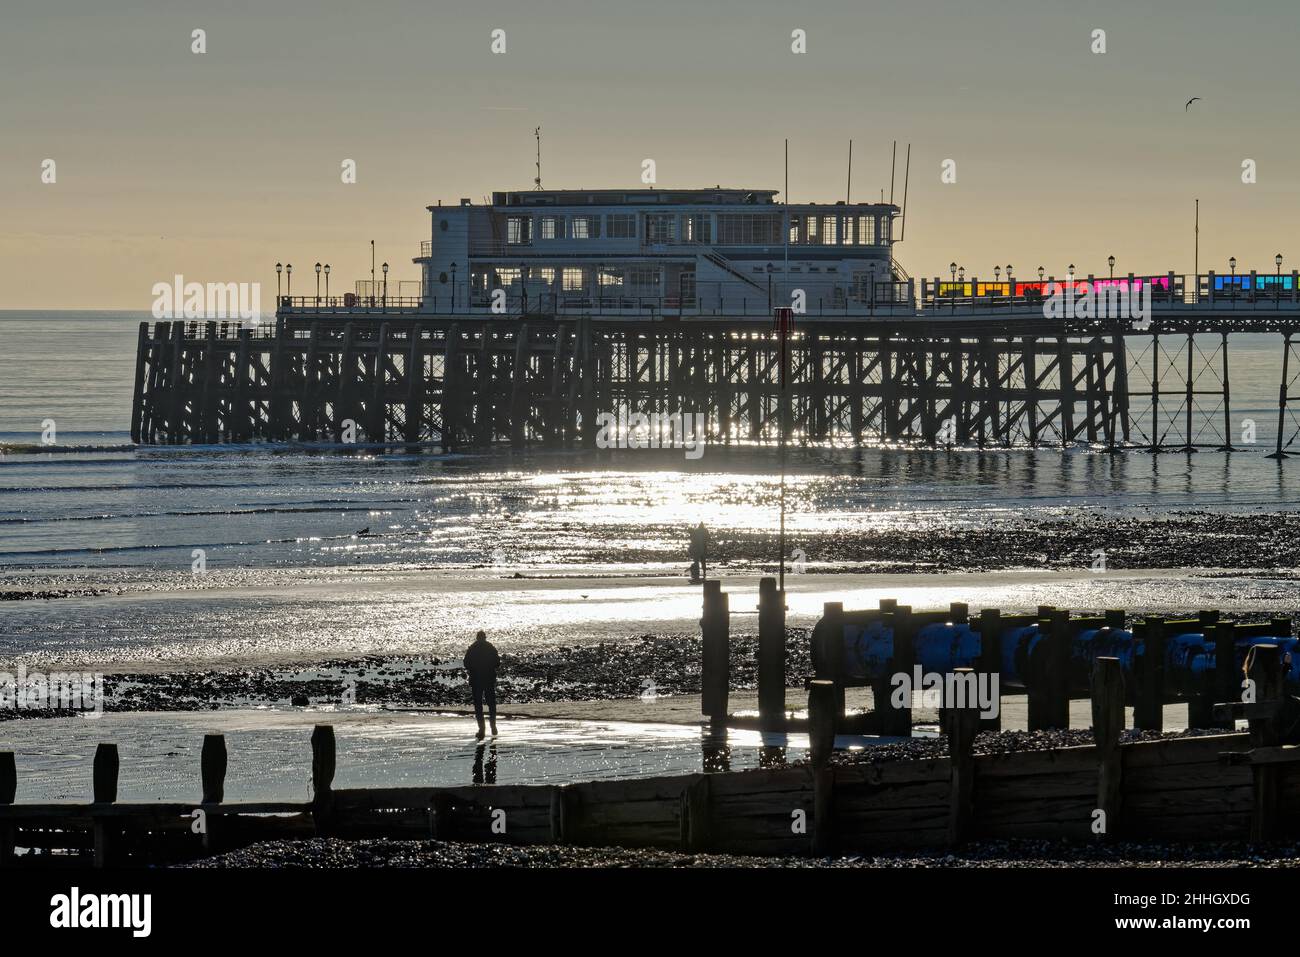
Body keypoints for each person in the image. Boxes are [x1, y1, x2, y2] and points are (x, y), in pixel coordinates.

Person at [463, 630, 500, 739]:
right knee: (491, 704)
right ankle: (493, 726)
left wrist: (474, 669)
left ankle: (482, 729)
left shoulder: (472, 648)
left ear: (477, 638)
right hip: (488, 678)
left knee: (478, 705)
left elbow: (466, 663)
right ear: (485, 637)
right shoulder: (490, 647)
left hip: (476, 680)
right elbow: (497, 662)